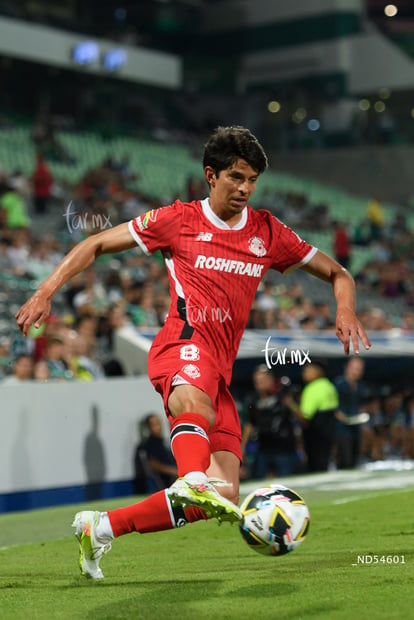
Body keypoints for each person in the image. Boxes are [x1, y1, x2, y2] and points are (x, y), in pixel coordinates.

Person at [15, 125, 371, 579]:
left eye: (252, 180)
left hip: (219, 369)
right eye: (236, 177)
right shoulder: (177, 220)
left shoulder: (267, 232)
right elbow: (96, 241)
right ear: (211, 175)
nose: (245, 188)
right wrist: (46, 290)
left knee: (219, 497)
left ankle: (101, 527)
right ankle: (188, 477)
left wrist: (346, 310)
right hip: (180, 344)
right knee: (193, 412)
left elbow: (340, 272)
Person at [241, 366, 301, 478]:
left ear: (272, 380)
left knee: (286, 480)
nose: (260, 384)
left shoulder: (282, 397)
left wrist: (291, 404)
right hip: (263, 448)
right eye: (257, 382)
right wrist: (243, 447)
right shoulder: (253, 401)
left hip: (284, 448)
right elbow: (250, 424)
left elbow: (300, 420)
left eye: (263, 381)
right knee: (258, 479)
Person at [288, 361, 339, 473]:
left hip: (316, 438)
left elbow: (305, 418)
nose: (303, 373)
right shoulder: (330, 386)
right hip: (328, 436)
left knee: (315, 469)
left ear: (317, 371)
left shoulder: (311, 389)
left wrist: (290, 404)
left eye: (307, 370)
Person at [334, 356, 366, 469]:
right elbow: (333, 406)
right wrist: (340, 416)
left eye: (360, 369)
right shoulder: (339, 384)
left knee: (354, 459)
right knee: (345, 460)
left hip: (355, 427)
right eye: (355, 368)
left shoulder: (360, 386)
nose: (358, 371)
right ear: (347, 368)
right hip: (342, 428)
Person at [134, 412, 178, 493]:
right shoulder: (151, 444)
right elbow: (153, 464)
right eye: (154, 424)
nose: (158, 426)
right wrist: (174, 472)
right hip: (167, 483)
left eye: (158, 423)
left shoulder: (163, 442)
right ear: (148, 427)